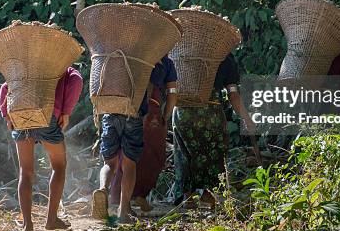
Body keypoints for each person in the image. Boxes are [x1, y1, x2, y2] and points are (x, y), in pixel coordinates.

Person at [0, 66, 83, 231]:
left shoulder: (25, 64)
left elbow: (4, 87)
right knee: (59, 166)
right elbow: (77, 82)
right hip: (48, 116)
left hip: (21, 117)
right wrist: (66, 112)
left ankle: (27, 227)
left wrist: (6, 114)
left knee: (26, 172)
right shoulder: (63, 66)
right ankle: (51, 219)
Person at [172, 53, 256, 209]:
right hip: (210, 112)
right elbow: (233, 94)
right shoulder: (224, 56)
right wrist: (246, 118)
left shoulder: (180, 52)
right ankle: (208, 195)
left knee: (184, 155)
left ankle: (187, 198)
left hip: (183, 112)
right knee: (213, 154)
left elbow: (169, 88)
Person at [109, 56, 178, 212]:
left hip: (124, 107)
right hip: (152, 112)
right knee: (153, 156)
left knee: (124, 154)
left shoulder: (131, 53)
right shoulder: (166, 63)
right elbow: (172, 94)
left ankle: (117, 199)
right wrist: (165, 117)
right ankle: (139, 196)